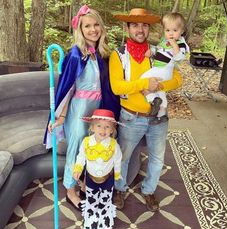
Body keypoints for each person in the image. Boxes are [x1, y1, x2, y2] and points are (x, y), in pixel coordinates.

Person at [43, 5, 117, 210]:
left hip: (96, 111)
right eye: (87, 26)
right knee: (76, 150)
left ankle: (82, 181)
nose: (92, 29)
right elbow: (68, 88)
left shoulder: (100, 54)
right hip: (78, 110)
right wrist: (61, 116)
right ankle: (69, 190)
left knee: (92, 147)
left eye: (95, 25)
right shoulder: (76, 54)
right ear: (80, 30)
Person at [109, 8, 183, 212]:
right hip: (131, 117)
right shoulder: (119, 55)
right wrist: (142, 85)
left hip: (159, 117)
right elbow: (117, 87)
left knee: (158, 159)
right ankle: (119, 188)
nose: (140, 29)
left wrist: (159, 86)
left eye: (144, 25)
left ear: (149, 28)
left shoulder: (161, 50)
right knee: (122, 156)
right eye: (135, 25)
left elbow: (178, 79)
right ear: (127, 28)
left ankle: (149, 190)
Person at [73, 109, 122, 229]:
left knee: (105, 198)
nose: (103, 130)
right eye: (99, 126)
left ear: (112, 130)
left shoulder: (114, 144)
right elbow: (81, 157)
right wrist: (78, 168)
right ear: (92, 127)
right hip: (90, 178)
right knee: (92, 198)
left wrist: (117, 174)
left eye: (107, 127)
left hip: (108, 178)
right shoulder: (86, 142)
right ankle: (91, 218)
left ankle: (104, 218)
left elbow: (117, 159)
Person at [141, 12, 189, 119]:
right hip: (160, 69)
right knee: (160, 90)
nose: (171, 33)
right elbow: (159, 50)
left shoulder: (180, 43)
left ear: (182, 31)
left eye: (175, 30)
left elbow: (179, 58)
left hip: (164, 69)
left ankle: (152, 99)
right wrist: (151, 51)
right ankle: (162, 110)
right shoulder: (164, 41)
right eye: (168, 30)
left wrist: (174, 45)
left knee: (142, 80)